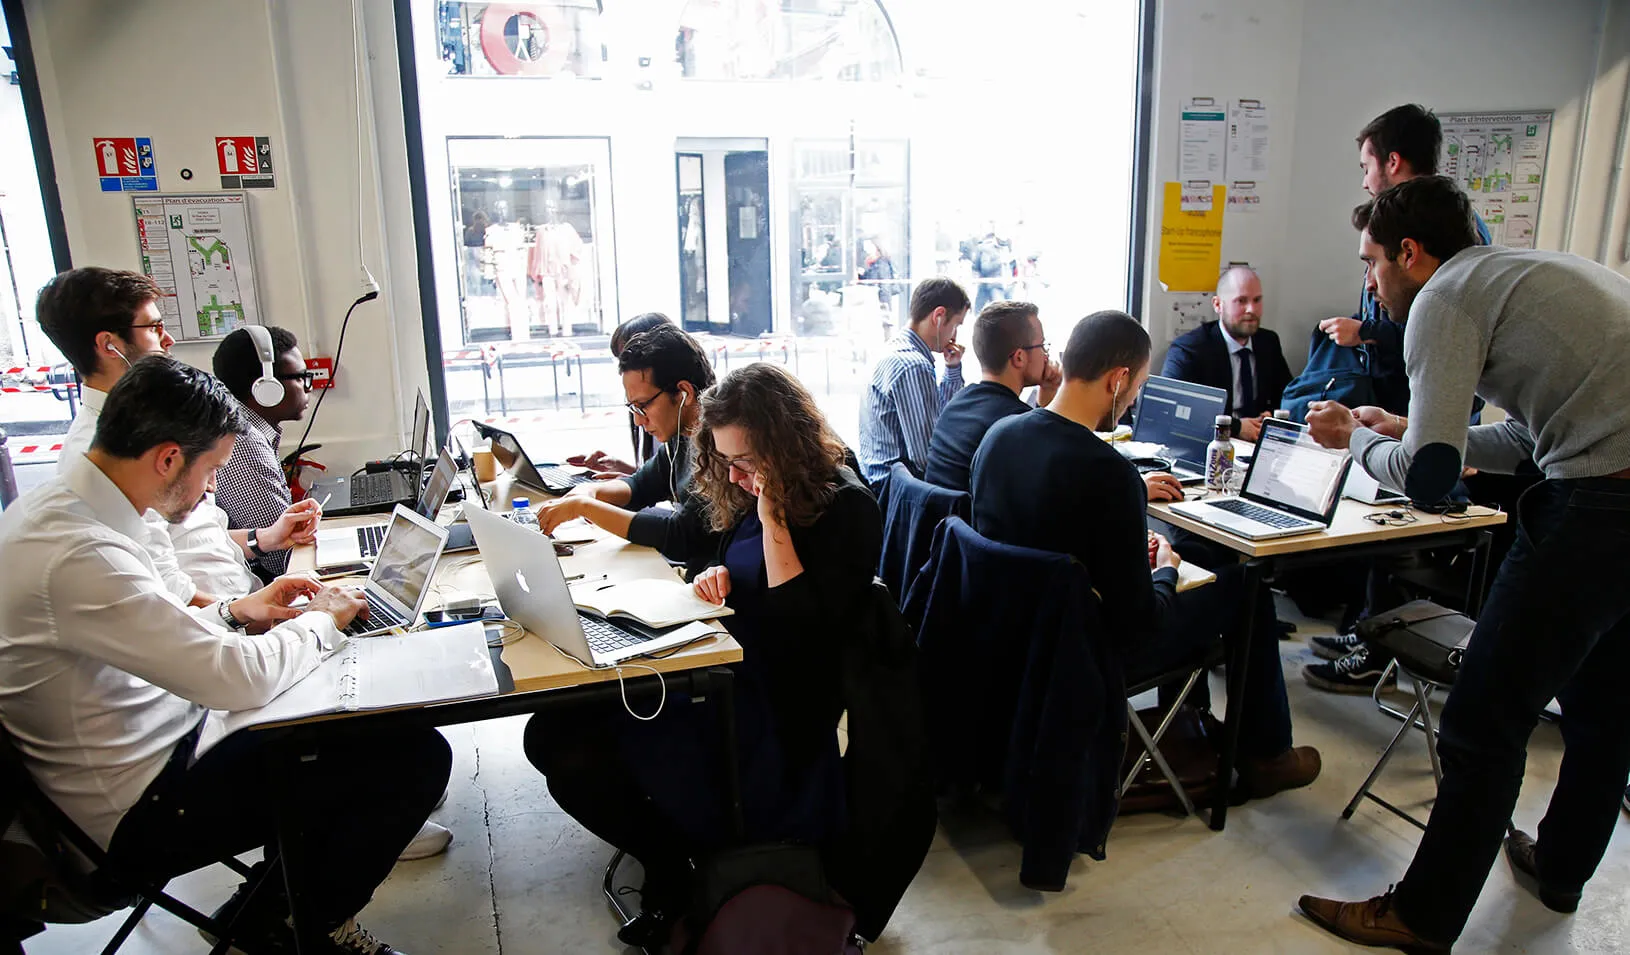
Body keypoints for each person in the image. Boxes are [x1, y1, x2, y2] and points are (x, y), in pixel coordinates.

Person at [0, 356, 448, 955]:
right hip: (138, 811)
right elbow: (235, 680)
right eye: (211, 469)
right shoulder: (81, 552)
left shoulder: (64, 510)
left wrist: (238, 612)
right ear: (167, 458)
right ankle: (289, 929)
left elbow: (155, 629)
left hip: (161, 747)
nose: (213, 488)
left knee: (353, 724)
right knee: (409, 756)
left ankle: (267, 914)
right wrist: (322, 620)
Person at [1297, 176, 1630, 953]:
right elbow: (1524, 440)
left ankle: (1420, 914)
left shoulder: (1441, 299)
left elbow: (1430, 478)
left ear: (1411, 253)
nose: (1369, 282)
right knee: (1606, 705)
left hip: (1602, 504)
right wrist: (1411, 428)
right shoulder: (1520, 272)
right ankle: (1562, 868)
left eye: (1372, 262)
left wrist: (1357, 439)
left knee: (1483, 719)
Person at [524, 362, 877, 946]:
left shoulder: (845, 506)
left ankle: (677, 866)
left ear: (782, 443)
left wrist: (772, 519)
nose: (736, 478)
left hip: (771, 711)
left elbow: (801, 630)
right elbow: (739, 567)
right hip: (719, 668)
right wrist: (721, 577)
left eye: (744, 462)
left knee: (572, 753)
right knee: (551, 731)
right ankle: (671, 857)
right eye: (727, 462)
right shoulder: (751, 486)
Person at [971, 310, 1320, 798]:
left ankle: (1189, 726)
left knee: (1203, 551)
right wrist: (1166, 573)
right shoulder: (1109, 473)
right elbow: (1140, 623)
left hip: (1016, 637)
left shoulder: (998, 438)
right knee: (1248, 587)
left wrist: (1142, 556)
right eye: (1137, 386)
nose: (1134, 397)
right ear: (1117, 379)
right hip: (1087, 653)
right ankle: (1268, 756)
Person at [1301, 104, 1496, 691]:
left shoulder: (1445, 275)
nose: (1363, 177)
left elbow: (1426, 471)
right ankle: (1370, 630)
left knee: (1395, 518)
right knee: (1375, 514)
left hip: (1590, 471)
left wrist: (1359, 433)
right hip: (1414, 408)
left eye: (1368, 164)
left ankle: (1382, 648)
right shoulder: (1414, 235)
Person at [34, 268, 320, 606]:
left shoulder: (150, 420)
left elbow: (192, 538)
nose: (168, 340)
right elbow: (161, 591)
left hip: (241, 600)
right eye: (154, 328)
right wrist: (255, 616)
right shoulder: (100, 454)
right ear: (109, 344)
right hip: (219, 625)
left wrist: (265, 539)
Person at [534, 323, 722, 579]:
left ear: (683, 394)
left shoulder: (721, 446)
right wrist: (590, 491)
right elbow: (640, 486)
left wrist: (585, 507)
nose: (638, 420)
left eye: (642, 405)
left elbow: (680, 537)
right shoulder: (682, 434)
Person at [211, 325, 316, 578]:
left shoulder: (249, 430)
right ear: (266, 387)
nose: (309, 387)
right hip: (260, 583)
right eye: (300, 377)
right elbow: (284, 557)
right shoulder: (244, 442)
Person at [923, 300, 1061, 492]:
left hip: (944, 520)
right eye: (1042, 346)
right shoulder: (1013, 424)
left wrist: (1047, 394)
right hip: (974, 521)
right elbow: (1051, 476)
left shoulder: (959, 401)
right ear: (1019, 357)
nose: (1046, 356)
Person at [857, 277, 970, 486]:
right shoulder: (913, 366)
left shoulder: (894, 349)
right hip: (897, 493)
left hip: (881, 483)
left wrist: (952, 368)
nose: (955, 335)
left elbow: (940, 418)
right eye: (955, 325)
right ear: (938, 316)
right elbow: (928, 457)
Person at [1160, 265, 1292, 443]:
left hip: (1258, 442)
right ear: (1217, 304)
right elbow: (1172, 409)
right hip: (1213, 443)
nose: (1251, 309)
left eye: (1257, 300)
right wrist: (1236, 427)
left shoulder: (1268, 342)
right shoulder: (1189, 349)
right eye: (1241, 301)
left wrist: (1273, 417)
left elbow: (1288, 394)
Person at [567, 311, 674, 477]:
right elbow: (666, 484)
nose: (624, 369)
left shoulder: (681, 416)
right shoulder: (646, 406)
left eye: (632, 359)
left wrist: (631, 487)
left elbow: (683, 497)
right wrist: (622, 470)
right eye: (621, 361)